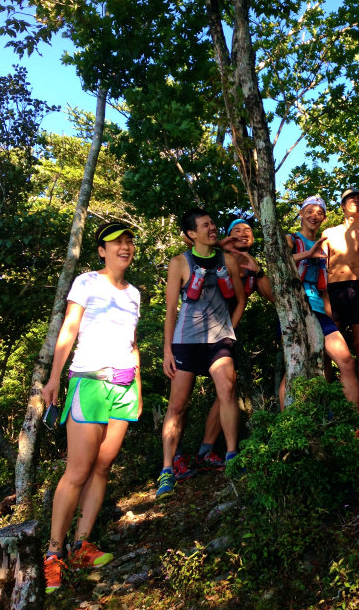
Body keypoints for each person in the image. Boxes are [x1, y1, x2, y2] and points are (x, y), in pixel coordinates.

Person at [41, 222, 142, 593]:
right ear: (102, 250)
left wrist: (139, 390)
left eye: (129, 241)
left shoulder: (134, 293)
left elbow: (132, 344)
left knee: (102, 466)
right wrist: (54, 379)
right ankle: (52, 555)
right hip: (89, 382)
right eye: (117, 242)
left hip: (124, 387)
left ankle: (81, 545)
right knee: (78, 471)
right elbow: (69, 329)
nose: (124, 247)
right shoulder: (86, 281)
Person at [173, 215, 274, 476]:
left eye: (248, 230)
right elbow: (192, 242)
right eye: (236, 230)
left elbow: (271, 296)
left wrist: (257, 270)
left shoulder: (248, 263)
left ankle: (206, 450)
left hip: (225, 332)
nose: (243, 234)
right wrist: (221, 245)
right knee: (181, 398)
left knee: (226, 391)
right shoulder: (218, 254)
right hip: (195, 333)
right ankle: (175, 456)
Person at [157, 208, 246, 499]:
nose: (212, 228)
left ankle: (232, 456)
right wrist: (167, 349)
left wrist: (228, 331)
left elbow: (240, 299)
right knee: (178, 406)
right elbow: (171, 309)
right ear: (191, 234)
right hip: (186, 341)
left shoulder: (228, 259)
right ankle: (167, 470)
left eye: (212, 223)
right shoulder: (179, 263)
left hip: (219, 339)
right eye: (205, 225)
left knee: (227, 391)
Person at [279, 196, 359, 408]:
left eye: (319, 213)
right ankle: (287, 425)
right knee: (296, 365)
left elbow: (323, 290)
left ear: (323, 218)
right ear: (301, 213)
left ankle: (350, 421)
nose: (314, 216)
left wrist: (330, 317)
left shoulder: (324, 250)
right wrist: (307, 253)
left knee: (347, 362)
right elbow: (278, 266)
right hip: (296, 308)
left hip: (319, 310)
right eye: (310, 211)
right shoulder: (291, 239)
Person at [323, 188, 359, 422]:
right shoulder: (329, 232)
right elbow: (321, 266)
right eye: (350, 199)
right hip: (333, 290)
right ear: (343, 205)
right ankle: (330, 400)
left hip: (358, 288)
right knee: (327, 349)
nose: (355, 202)